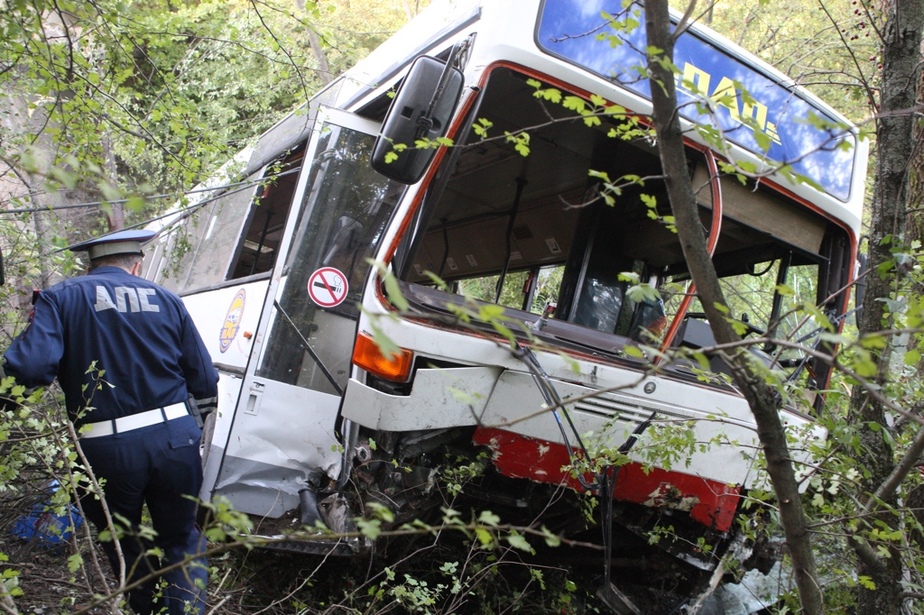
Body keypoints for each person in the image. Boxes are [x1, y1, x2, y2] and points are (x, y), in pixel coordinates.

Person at [3, 229, 219, 615]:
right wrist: (191, 429)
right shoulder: (168, 300)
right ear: (136, 266)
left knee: (125, 542)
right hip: (175, 440)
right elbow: (203, 378)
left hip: (105, 449)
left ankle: (146, 607)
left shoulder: (61, 297)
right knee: (182, 538)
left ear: (91, 266)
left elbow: (31, 367)